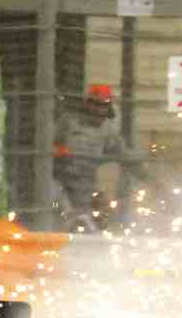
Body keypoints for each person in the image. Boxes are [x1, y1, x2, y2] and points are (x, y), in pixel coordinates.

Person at [53, 84, 147, 228]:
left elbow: (126, 158)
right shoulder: (68, 122)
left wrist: (151, 180)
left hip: (85, 188)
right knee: (60, 216)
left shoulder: (108, 132)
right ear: (87, 104)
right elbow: (47, 145)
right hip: (59, 183)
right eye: (95, 104)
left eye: (103, 105)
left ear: (108, 108)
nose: (98, 109)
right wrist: (58, 151)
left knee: (92, 223)